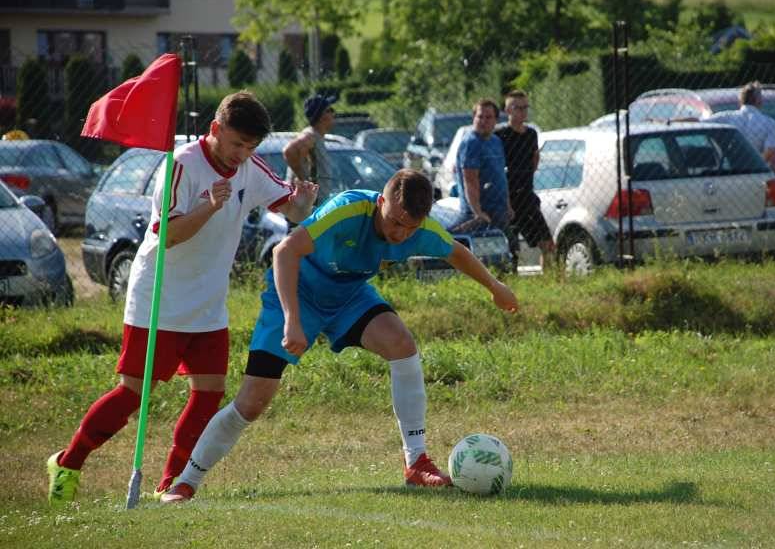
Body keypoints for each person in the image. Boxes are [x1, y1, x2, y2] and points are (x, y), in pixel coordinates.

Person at [160, 169, 519, 502]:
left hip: (348, 296)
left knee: (402, 345)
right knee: (252, 402)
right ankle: (187, 480)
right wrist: (291, 320)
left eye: (410, 228)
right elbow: (285, 252)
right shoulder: (347, 210)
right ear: (381, 201)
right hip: (296, 292)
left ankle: (417, 463)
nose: (400, 234)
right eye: (394, 222)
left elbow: (456, 251)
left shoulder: (418, 229)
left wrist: (495, 286)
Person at [46, 91, 318, 505]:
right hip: (159, 296)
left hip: (208, 303)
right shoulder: (180, 165)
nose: (241, 155)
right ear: (215, 130)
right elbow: (169, 235)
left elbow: (292, 210)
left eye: (250, 147)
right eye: (235, 144)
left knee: (208, 394)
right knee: (134, 393)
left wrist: (304, 202)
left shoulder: (249, 167)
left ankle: (171, 483)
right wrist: (209, 207)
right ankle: (67, 462)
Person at [494, 90, 555, 270]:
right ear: (507, 110)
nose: (522, 112)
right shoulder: (500, 135)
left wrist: (526, 174)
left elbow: (535, 158)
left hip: (526, 196)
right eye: (517, 108)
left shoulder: (531, 134)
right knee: (511, 247)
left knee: (547, 243)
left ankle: (549, 281)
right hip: (507, 197)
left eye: (525, 107)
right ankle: (510, 282)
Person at [446, 98, 511, 233]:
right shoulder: (471, 143)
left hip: (498, 209)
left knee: (507, 251)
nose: (483, 121)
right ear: (474, 118)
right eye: (480, 116)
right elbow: (470, 180)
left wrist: (508, 205)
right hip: (480, 213)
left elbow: (501, 175)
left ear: (495, 120)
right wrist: (478, 212)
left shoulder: (496, 141)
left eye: (488, 117)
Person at [706, 81, 775, 162]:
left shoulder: (726, 117)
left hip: (729, 166)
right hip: (755, 168)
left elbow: (700, 122)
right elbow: (771, 149)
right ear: (759, 100)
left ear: (741, 99)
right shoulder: (769, 123)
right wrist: (757, 163)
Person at [283, 93, 337, 201]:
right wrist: (303, 180)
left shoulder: (317, 137)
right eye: (330, 110)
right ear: (322, 116)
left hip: (313, 205)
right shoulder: (310, 135)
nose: (334, 113)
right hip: (307, 207)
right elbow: (289, 151)